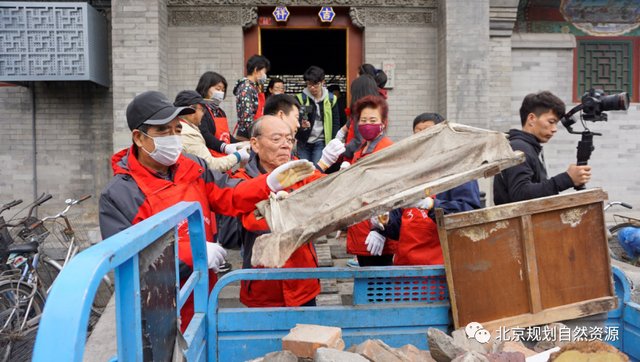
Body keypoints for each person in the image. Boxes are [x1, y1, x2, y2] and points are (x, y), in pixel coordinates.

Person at [98, 91, 315, 330]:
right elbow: (128, 258)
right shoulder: (119, 194)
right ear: (138, 138)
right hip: (155, 308)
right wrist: (192, 253)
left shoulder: (192, 166)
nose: (172, 138)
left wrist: (267, 183)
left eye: (177, 130)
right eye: (163, 131)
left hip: (202, 297)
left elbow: (229, 194)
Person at [231, 116, 324, 308]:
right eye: (276, 139)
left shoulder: (302, 172)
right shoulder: (241, 180)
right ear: (255, 144)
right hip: (262, 287)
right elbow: (250, 220)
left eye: (289, 140)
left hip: (302, 284)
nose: (285, 145)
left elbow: (329, 190)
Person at [369, 113, 482, 266]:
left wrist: (431, 205)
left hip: (441, 271)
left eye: (428, 133)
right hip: (405, 271)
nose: (422, 139)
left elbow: (469, 214)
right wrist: (385, 222)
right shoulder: (409, 173)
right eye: (418, 134)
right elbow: (398, 226)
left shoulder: (459, 171)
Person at [493, 91, 592, 205]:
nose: (554, 129)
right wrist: (567, 179)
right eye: (551, 122)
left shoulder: (529, 147)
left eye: (556, 123)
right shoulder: (519, 148)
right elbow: (520, 194)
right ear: (531, 118)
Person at [345, 95, 397, 266]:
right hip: (361, 229)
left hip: (376, 233)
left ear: (384, 122)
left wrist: (381, 230)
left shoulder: (387, 150)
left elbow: (391, 191)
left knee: (379, 287)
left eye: (373, 120)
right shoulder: (361, 150)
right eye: (363, 120)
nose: (367, 124)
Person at [173, 90, 250, 172]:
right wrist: (238, 156)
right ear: (192, 110)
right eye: (202, 110)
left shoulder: (180, 126)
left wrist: (236, 145)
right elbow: (212, 166)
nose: (203, 114)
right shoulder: (190, 134)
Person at [295, 65, 340, 165]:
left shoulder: (331, 99)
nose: (312, 88)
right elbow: (293, 120)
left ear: (323, 82)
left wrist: (332, 142)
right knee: (303, 169)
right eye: (309, 85)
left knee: (317, 169)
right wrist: (301, 125)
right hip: (303, 141)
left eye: (315, 85)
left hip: (321, 141)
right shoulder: (300, 99)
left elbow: (336, 122)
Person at [195, 71, 244, 158]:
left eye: (223, 90)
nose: (221, 92)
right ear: (205, 88)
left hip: (223, 157)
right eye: (218, 89)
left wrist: (241, 144)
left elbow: (226, 135)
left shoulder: (220, 112)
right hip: (208, 157)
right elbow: (204, 134)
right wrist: (223, 147)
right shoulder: (200, 110)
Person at [233, 55, 270, 141]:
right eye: (264, 71)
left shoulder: (254, 87)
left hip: (254, 133)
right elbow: (247, 118)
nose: (265, 75)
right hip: (248, 136)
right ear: (256, 70)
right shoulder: (246, 88)